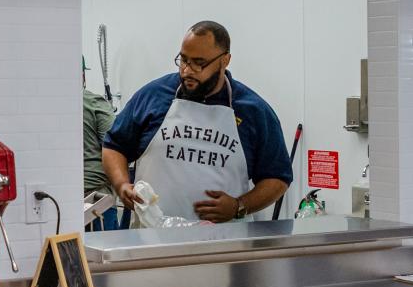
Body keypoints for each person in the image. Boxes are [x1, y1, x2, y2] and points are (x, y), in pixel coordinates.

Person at [101, 21, 292, 222]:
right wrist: (121, 184)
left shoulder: (253, 111)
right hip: (152, 239)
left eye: (199, 63)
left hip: (223, 243)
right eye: (183, 60)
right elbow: (114, 146)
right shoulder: (153, 96)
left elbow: (277, 177)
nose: (187, 71)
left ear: (225, 60)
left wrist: (239, 206)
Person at [82, 58, 118, 229]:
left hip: (62, 200)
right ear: (82, 75)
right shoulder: (94, 103)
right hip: (96, 200)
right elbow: (116, 145)